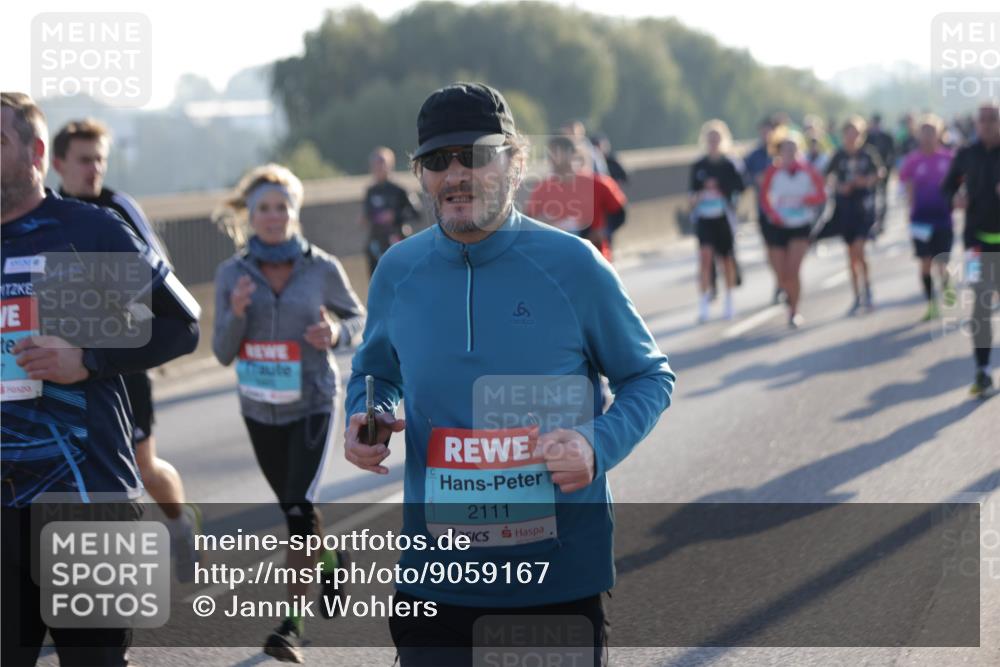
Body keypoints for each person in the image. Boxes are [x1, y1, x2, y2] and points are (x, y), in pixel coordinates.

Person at [344, 82, 675, 667]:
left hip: (555, 578)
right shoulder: (398, 271)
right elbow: (374, 374)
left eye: (475, 155)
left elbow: (649, 377)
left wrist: (596, 444)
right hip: (435, 580)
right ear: (420, 175)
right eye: (437, 161)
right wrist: (366, 415)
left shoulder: (574, 265)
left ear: (515, 163)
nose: (455, 174)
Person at [2, 91, 200, 667]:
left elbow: (183, 324)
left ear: (37, 152)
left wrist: (88, 359)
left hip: (86, 500)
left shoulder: (86, 231)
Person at [212, 163, 366, 661]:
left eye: (282, 207)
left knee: (298, 509)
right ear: (250, 215)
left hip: (313, 402)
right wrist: (237, 313)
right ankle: (330, 559)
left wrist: (336, 333)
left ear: (295, 212)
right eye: (264, 208)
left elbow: (359, 317)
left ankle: (290, 627)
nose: (274, 216)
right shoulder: (232, 274)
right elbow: (221, 352)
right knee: (293, 509)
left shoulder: (321, 267)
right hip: (260, 410)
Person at [51, 118, 201, 581]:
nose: (94, 169)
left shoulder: (118, 209)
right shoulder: (45, 214)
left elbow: (162, 281)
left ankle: (180, 523)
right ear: (57, 163)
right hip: (63, 365)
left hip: (122, 359)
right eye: (84, 160)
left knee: (142, 466)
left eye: (100, 159)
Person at [941, 101, 1000, 397]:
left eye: (993, 119)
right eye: (983, 119)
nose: (987, 124)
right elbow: (947, 187)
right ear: (976, 124)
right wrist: (955, 199)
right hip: (976, 242)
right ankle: (983, 370)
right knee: (980, 305)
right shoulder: (966, 154)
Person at [759, 133, 827, 328]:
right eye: (786, 149)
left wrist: (805, 200)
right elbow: (764, 199)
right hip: (777, 225)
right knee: (781, 275)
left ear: (799, 150)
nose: (789, 152)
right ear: (779, 152)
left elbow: (821, 195)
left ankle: (794, 311)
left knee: (793, 270)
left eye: (793, 148)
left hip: (800, 224)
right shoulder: (772, 171)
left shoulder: (809, 171)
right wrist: (774, 214)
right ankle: (786, 293)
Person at [525, 135, 627, 262]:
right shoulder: (542, 188)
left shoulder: (598, 183)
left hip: (595, 258)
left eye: (557, 152)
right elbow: (528, 221)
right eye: (550, 153)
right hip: (558, 260)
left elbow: (619, 213)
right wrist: (544, 223)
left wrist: (603, 232)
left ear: (572, 154)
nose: (552, 158)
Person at [897, 114, 955, 321]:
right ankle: (931, 304)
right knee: (925, 262)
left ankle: (946, 283)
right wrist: (910, 213)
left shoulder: (948, 159)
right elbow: (907, 186)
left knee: (941, 262)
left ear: (939, 134)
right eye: (924, 132)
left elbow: (958, 185)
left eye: (932, 132)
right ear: (918, 135)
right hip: (920, 220)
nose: (928, 136)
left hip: (943, 218)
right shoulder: (912, 161)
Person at [825, 116, 885, 314]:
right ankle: (857, 295)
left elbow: (880, 173)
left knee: (860, 249)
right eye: (849, 133)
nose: (852, 137)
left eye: (856, 133)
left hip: (863, 207)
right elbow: (828, 176)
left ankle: (867, 288)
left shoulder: (867, 154)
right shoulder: (839, 155)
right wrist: (839, 186)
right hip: (845, 208)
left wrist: (866, 181)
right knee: (851, 255)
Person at [690, 119, 745, 322]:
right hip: (705, 217)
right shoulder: (699, 165)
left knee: (726, 259)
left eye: (716, 138)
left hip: (723, 217)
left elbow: (739, 188)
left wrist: (720, 187)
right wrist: (699, 193)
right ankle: (704, 302)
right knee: (704, 258)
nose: (713, 142)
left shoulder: (729, 164)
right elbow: (691, 192)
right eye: (710, 138)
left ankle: (729, 299)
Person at [360, 146, 421, 276]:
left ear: (390, 165)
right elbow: (368, 213)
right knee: (376, 279)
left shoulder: (400, 190)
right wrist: (366, 218)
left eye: (382, 163)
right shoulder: (370, 191)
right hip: (376, 244)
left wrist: (395, 216)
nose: (379, 167)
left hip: (397, 242)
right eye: (376, 163)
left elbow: (416, 212)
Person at [743, 117, 783, 303]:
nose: (766, 135)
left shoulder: (783, 151)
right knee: (771, 250)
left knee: (785, 249)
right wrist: (755, 179)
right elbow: (743, 178)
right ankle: (779, 282)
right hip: (764, 209)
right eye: (763, 131)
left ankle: (786, 281)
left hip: (785, 209)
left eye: (769, 131)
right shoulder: (753, 156)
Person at [864, 113, 896, 233]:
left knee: (883, 197)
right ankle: (872, 221)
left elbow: (892, 153)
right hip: (871, 173)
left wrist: (887, 167)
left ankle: (881, 222)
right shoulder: (868, 137)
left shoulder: (887, 137)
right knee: (871, 197)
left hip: (885, 171)